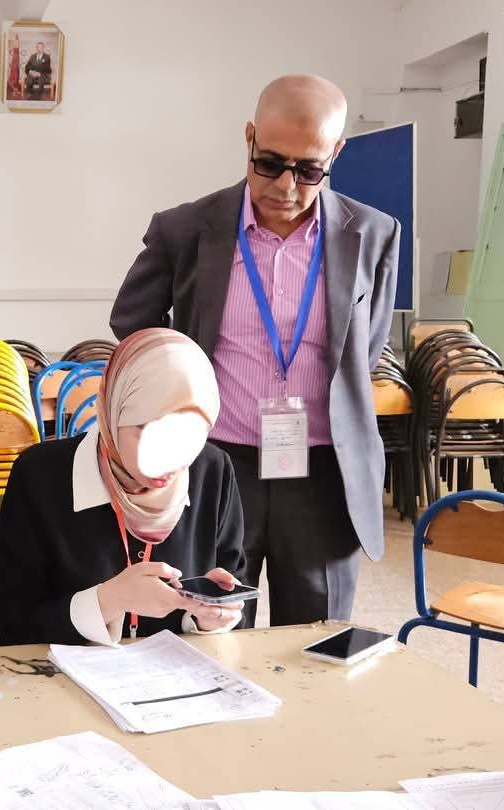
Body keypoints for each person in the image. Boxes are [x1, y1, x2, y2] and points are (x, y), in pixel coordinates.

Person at [110, 75, 399, 628]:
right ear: (249, 138)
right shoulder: (186, 229)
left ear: (335, 155)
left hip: (322, 472)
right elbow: (132, 323)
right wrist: (172, 397)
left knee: (314, 640)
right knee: (208, 627)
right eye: (269, 163)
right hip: (216, 464)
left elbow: (366, 348)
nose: (286, 186)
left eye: (308, 170)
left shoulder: (373, 234)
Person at [0, 328, 246, 646]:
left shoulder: (212, 469)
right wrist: (108, 600)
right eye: (149, 430)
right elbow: (15, 626)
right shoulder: (40, 475)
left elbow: (236, 596)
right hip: (60, 672)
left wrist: (210, 618)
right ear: (113, 409)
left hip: (178, 671)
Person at [7, 33, 22, 99]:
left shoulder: (17, 53)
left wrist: (17, 40)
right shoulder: (12, 54)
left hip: (16, 68)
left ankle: (16, 90)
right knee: (13, 80)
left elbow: (16, 49)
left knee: (16, 79)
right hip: (13, 69)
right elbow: (10, 63)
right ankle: (15, 90)